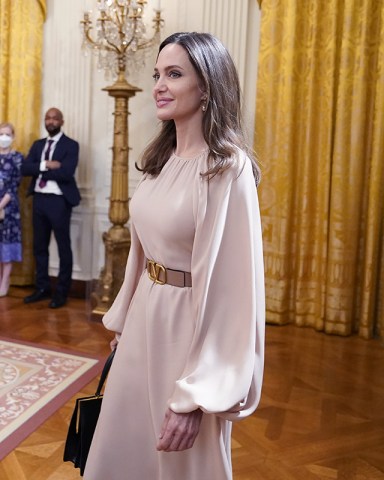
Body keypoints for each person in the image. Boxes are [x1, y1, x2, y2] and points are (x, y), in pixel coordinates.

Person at [84, 32, 265, 480]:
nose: (159, 85)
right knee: (122, 451)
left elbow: (233, 293)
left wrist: (198, 394)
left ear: (207, 87)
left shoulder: (226, 168)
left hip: (188, 334)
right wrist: (124, 320)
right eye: (158, 74)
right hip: (144, 321)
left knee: (184, 464)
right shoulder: (159, 160)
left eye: (174, 74)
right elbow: (142, 253)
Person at [21, 108, 81, 308]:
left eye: (55, 118)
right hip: (39, 200)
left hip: (59, 201)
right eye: (48, 117)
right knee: (40, 247)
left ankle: (61, 292)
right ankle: (42, 288)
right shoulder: (38, 145)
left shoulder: (71, 145)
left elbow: (66, 173)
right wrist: (47, 164)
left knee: (63, 247)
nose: (51, 121)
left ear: (62, 121)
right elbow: (24, 168)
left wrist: (39, 169)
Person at [0, 122, 23, 296]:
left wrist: (0, 205)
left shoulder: (17, 158)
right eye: (1, 134)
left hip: (8, 208)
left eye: (7, 134)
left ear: (13, 137)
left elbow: (14, 185)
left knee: (7, 244)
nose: (4, 138)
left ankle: (5, 281)